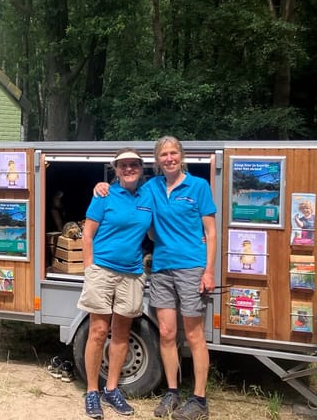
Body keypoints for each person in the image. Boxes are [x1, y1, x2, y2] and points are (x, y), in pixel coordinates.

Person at [94, 136, 217, 420]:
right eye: (164, 155)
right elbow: (125, 192)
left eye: (174, 153)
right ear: (157, 160)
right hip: (161, 268)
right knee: (167, 333)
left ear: (181, 156)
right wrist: (101, 186)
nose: (169, 158)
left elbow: (210, 232)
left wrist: (208, 270)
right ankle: (172, 392)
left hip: (191, 268)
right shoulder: (152, 187)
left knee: (195, 334)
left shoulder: (198, 187)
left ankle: (199, 399)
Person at [79, 149, 154, 419]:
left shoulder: (150, 195)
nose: (129, 168)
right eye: (123, 165)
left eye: (134, 164)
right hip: (102, 270)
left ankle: (112, 389)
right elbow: (87, 234)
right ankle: (91, 392)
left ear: (141, 168)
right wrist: (90, 269)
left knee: (122, 333)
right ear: (116, 169)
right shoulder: (104, 194)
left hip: (132, 273)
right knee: (98, 331)